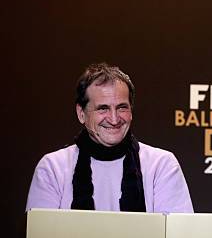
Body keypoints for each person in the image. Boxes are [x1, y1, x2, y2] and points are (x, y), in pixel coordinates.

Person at [26, 63, 193, 213]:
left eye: (121, 108)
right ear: (81, 113)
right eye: (103, 108)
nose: (114, 119)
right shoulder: (52, 168)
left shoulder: (161, 165)